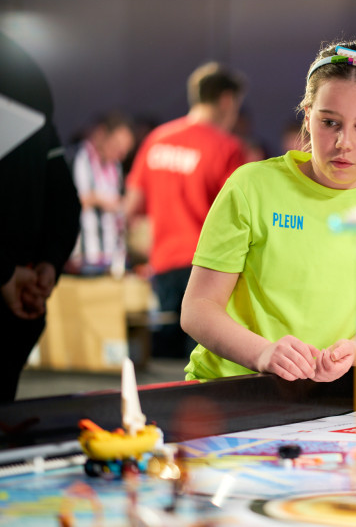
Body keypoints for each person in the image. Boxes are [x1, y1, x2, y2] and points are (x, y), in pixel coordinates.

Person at [180, 39, 356, 382]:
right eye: (330, 122)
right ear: (308, 116)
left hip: (324, 403)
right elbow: (197, 310)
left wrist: (355, 352)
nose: (344, 142)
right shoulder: (252, 186)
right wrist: (262, 352)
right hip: (227, 391)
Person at [124, 62, 247, 358]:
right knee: (200, 363)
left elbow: (130, 208)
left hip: (163, 264)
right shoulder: (227, 147)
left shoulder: (157, 139)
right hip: (210, 268)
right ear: (227, 100)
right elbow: (242, 214)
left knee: (162, 365)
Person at [0, 31, 81, 402]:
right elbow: (65, 202)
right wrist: (47, 265)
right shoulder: (27, 78)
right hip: (20, 294)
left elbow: (63, 200)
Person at [69, 111, 135, 274]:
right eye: (117, 146)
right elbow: (62, 203)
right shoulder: (76, 158)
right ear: (101, 134)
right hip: (83, 259)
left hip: (112, 259)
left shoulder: (115, 167)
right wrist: (98, 199)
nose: (120, 154)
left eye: (124, 151)